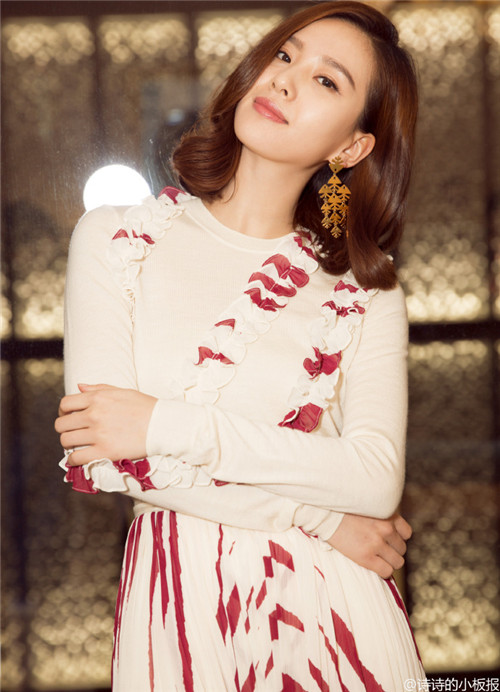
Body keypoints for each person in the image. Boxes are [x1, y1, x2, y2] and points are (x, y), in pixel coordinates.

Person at [55, 2, 427, 689]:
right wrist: (320, 515)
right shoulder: (115, 237)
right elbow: (102, 457)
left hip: (333, 610)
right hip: (179, 603)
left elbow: (374, 479)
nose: (285, 80)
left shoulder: (365, 289)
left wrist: (160, 423)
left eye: (326, 80)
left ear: (351, 148)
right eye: (285, 55)